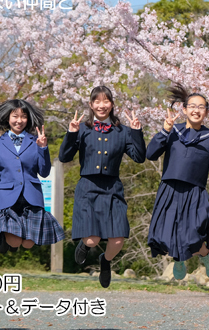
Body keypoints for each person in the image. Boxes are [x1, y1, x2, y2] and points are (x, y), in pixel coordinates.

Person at [59, 86, 146, 288]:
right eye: (97, 101)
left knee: (117, 240)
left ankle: (105, 261)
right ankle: (84, 245)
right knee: (92, 240)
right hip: (87, 187)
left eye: (106, 101)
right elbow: (64, 157)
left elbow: (139, 157)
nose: (101, 105)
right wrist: (71, 133)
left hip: (112, 188)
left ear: (112, 104)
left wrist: (136, 132)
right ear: (91, 105)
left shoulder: (123, 131)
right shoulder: (82, 129)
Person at [147, 83, 209, 281]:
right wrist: (164, 131)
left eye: (201, 107)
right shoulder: (173, 131)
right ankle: (179, 259)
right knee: (164, 235)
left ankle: (206, 254)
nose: (196, 110)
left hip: (195, 192)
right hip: (170, 188)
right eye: (192, 106)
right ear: (184, 110)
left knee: (194, 236)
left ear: (207, 112)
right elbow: (151, 154)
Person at [0, 99, 64, 253]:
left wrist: (43, 149)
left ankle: (8, 237)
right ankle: (6, 238)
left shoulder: (37, 141)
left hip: (31, 198)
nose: (19, 120)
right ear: (7, 118)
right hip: (8, 199)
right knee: (15, 241)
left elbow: (44, 172)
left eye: (23, 116)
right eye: (15, 116)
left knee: (28, 244)